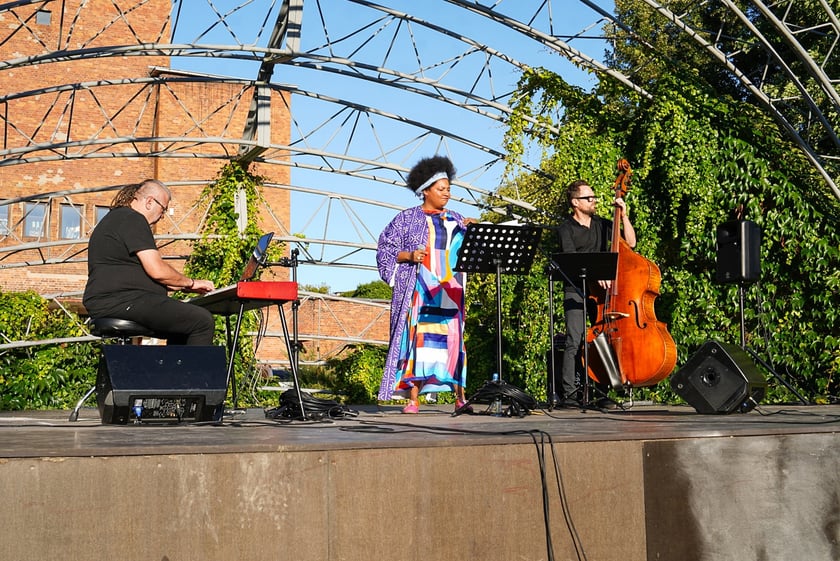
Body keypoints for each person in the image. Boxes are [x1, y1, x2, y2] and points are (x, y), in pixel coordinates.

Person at [376, 156, 475, 414]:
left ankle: (460, 397)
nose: (447, 194)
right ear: (425, 191)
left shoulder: (457, 219)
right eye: (441, 189)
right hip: (421, 289)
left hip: (451, 289)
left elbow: (471, 252)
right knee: (419, 340)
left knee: (454, 341)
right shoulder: (406, 219)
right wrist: (409, 256)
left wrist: (474, 231)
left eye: (448, 189)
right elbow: (385, 250)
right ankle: (413, 399)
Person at [83, 179, 216, 345]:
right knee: (202, 321)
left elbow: (141, 273)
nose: (162, 216)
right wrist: (192, 282)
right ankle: (186, 364)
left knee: (182, 324)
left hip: (110, 301)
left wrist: (183, 286)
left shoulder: (116, 219)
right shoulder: (133, 219)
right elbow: (157, 270)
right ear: (150, 202)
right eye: (163, 209)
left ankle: (173, 363)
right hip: (123, 300)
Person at [556, 179, 636, 407]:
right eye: (588, 198)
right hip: (576, 290)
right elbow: (571, 261)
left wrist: (624, 215)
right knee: (574, 340)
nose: (594, 201)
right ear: (575, 202)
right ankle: (570, 395)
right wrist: (595, 273)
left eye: (594, 197)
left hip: (602, 295)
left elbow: (631, 243)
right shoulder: (565, 228)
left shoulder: (602, 224)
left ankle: (601, 391)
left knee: (603, 339)